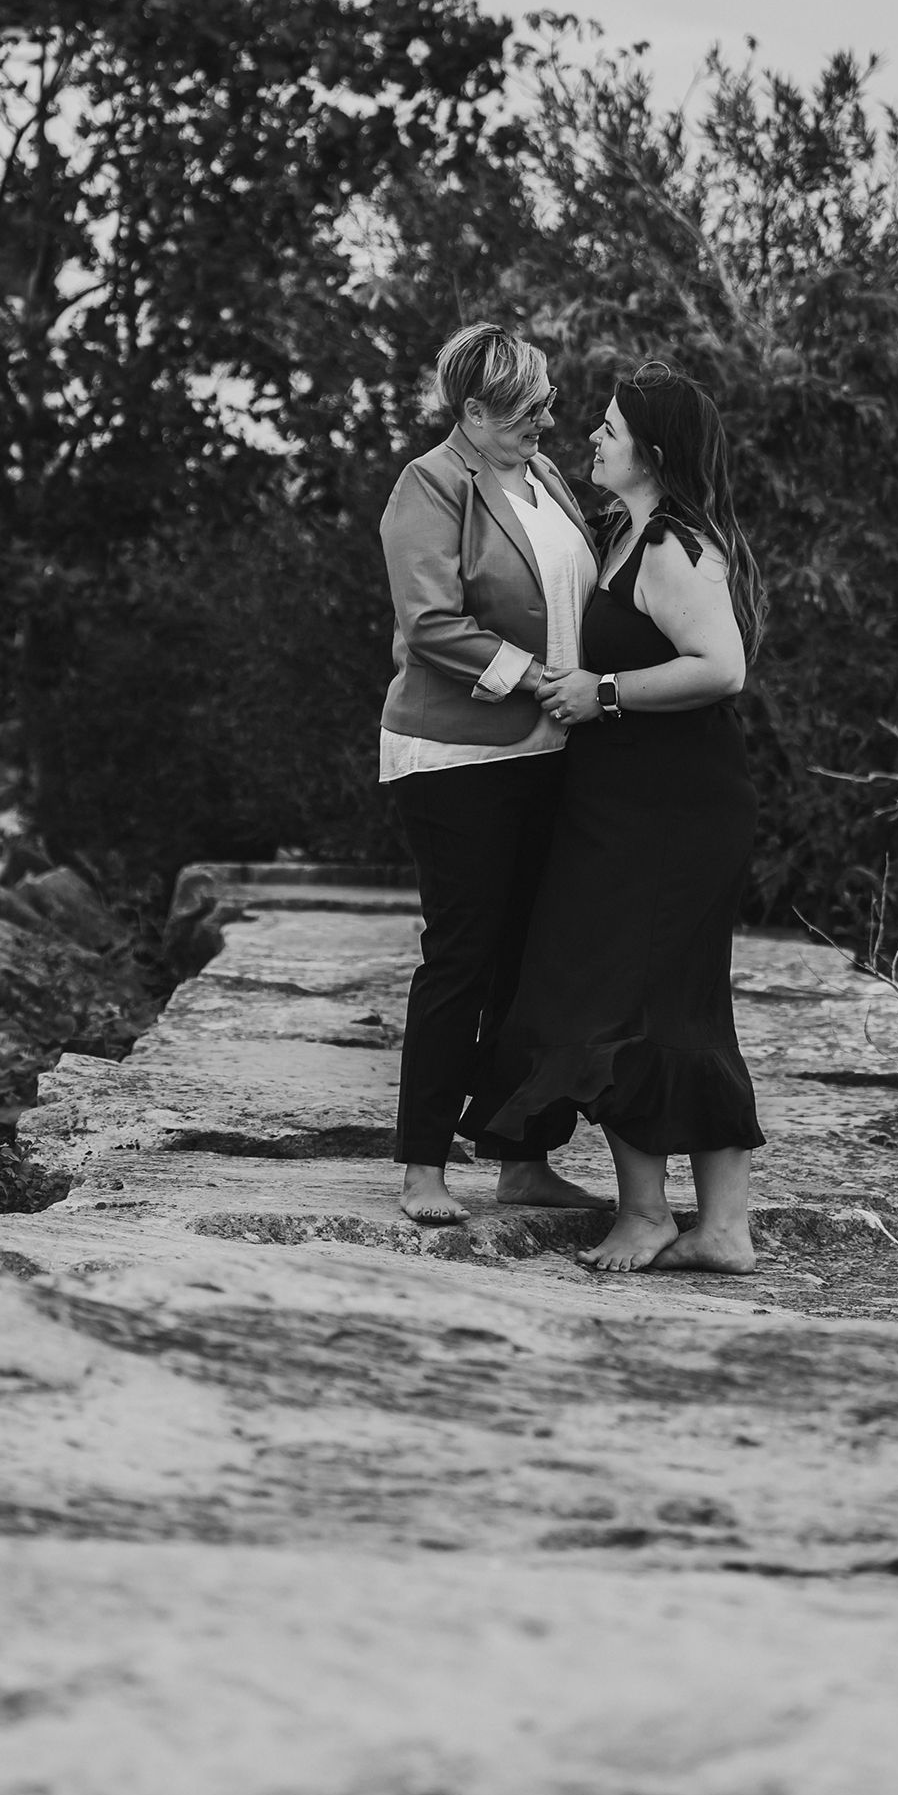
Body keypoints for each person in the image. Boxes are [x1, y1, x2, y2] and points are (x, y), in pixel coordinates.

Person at [474, 361, 767, 1273]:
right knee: (665, 1005)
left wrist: (601, 691)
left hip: (671, 815)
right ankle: (721, 1228)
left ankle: (650, 1216)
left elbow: (721, 668)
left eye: (610, 427)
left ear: (654, 451)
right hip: (632, 807)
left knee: (622, 1004)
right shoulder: (622, 534)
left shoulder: (673, 545)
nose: (594, 437)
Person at [378, 321, 610, 1229]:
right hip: (456, 758)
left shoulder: (546, 477)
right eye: (526, 410)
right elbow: (430, 622)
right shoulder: (430, 483)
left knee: (534, 963)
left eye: (547, 403)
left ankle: (523, 1160)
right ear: (473, 412)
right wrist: (536, 678)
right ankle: (423, 1167)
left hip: (554, 752)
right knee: (463, 959)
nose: (547, 421)